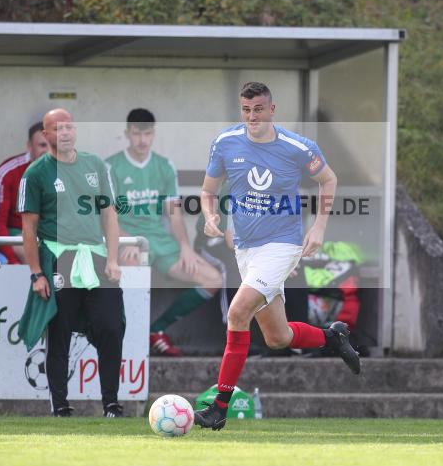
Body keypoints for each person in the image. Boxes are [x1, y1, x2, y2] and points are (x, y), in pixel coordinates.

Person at [194, 81, 360, 431]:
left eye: (258, 110)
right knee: (278, 337)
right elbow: (208, 191)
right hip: (246, 249)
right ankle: (333, 335)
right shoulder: (225, 142)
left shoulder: (298, 147)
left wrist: (318, 228)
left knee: (238, 313)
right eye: (245, 110)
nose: (252, 117)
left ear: (272, 109)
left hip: (282, 246)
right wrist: (211, 218)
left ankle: (219, 407)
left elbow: (328, 180)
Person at [17, 108, 126, 418]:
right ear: (45, 136)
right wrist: (37, 273)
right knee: (60, 332)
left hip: (95, 257)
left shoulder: (96, 165)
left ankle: (111, 404)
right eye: (56, 128)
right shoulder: (36, 174)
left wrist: (113, 260)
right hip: (58, 257)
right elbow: (29, 228)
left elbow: (110, 216)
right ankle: (61, 405)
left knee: (110, 326)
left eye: (69, 127)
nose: (64, 133)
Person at [106, 108, 222, 356]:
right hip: (129, 239)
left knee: (212, 278)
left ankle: (156, 330)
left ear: (153, 134)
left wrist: (184, 248)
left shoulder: (164, 166)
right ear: (128, 134)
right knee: (129, 270)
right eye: (137, 134)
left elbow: (174, 214)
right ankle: (125, 341)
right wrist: (124, 243)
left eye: (147, 134)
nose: (142, 140)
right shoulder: (111, 166)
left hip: (159, 240)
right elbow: (107, 216)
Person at [0, 122, 49, 264]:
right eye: (42, 145)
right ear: (29, 146)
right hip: (16, 233)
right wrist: (11, 260)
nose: (48, 150)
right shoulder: (9, 171)